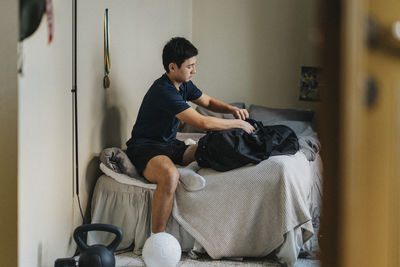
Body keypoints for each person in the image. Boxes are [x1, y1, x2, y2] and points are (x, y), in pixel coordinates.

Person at [126, 37, 255, 234]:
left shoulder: (183, 84)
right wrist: (238, 123)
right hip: (146, 148)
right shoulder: (163, 91)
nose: (194, 70)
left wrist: (232, 109)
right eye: (190, 66)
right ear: (172, 67)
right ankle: (157, 239)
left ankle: (186, 171)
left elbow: (209, 102)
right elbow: (201, 122)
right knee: (170, 175)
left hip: (170, 145)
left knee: (210, 148)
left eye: (194, 65)